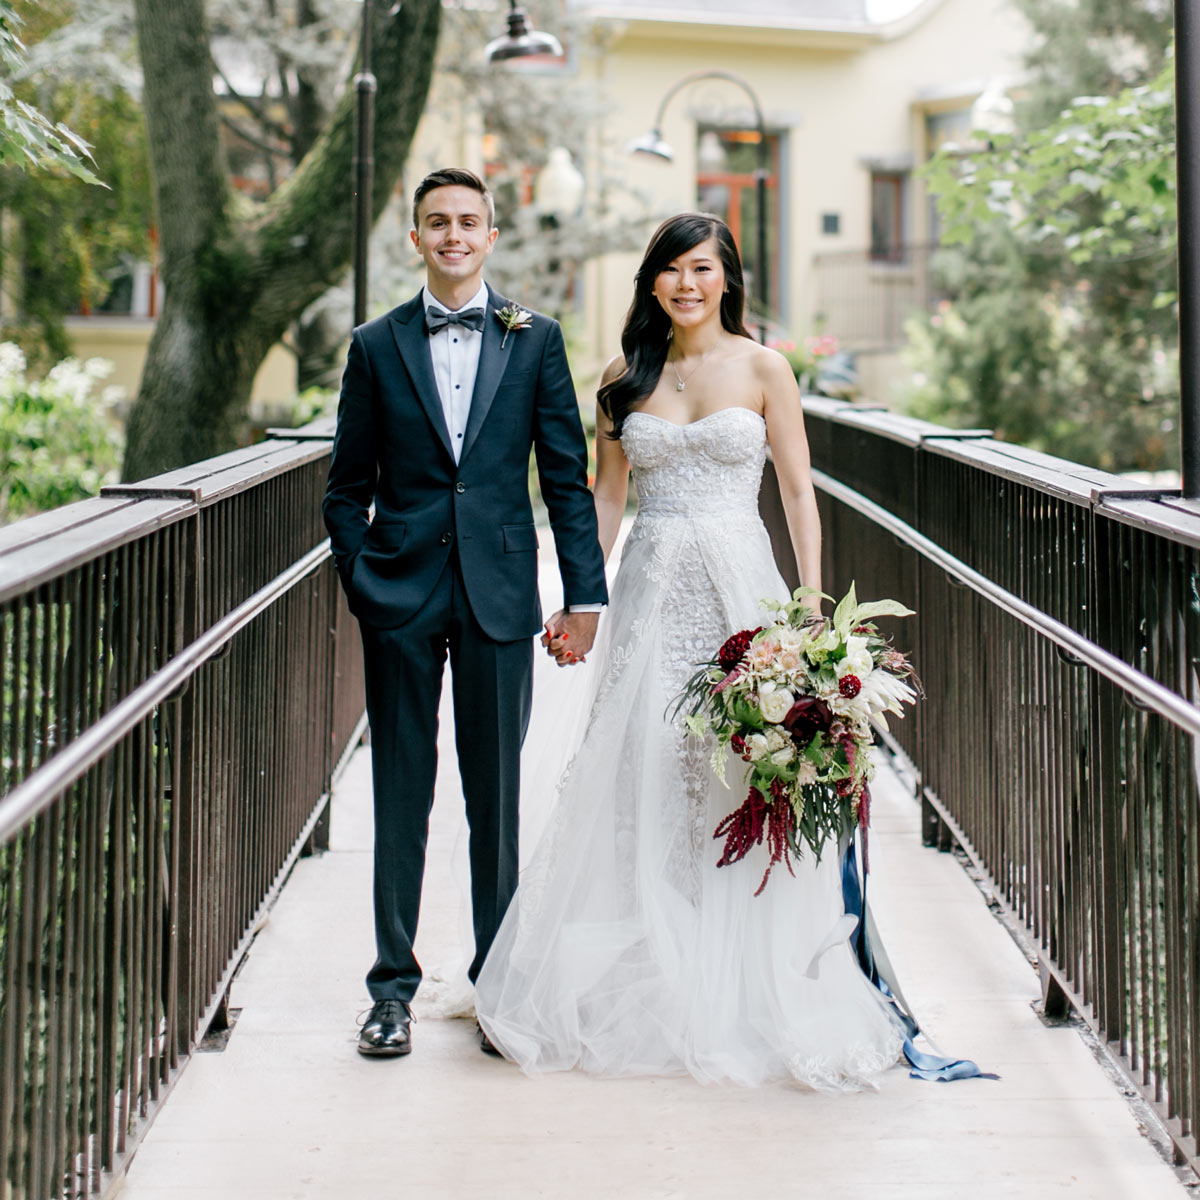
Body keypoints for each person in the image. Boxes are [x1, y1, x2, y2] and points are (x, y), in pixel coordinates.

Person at [474, 213, 907, 1087]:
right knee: (642, 763)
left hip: (738, 588)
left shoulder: (764, 368)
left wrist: (812, 618)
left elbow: (796, 491)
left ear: (726, 278)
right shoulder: (622, 377)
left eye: (701, 268)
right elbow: (603, 501)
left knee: (739, 765)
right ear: (653, 282)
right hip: (648, 591)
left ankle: (737, 967)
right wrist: (581, 600)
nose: (685, 284)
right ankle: (648, 958)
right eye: (670, 270)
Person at [323, 167, 607, 1058]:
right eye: (436, 222)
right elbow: (344, 488)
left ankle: (498, 983)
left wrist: (585, 596)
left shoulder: (536, 338)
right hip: (400, 596)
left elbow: (565, 478)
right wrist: (364, 575)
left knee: (496, 798)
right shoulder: (376, 345)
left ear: (491, 236)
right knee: (400, 794)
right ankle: (390, 992)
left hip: (499, 596)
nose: (452, 235)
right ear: (415, 238)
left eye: (468, 222)